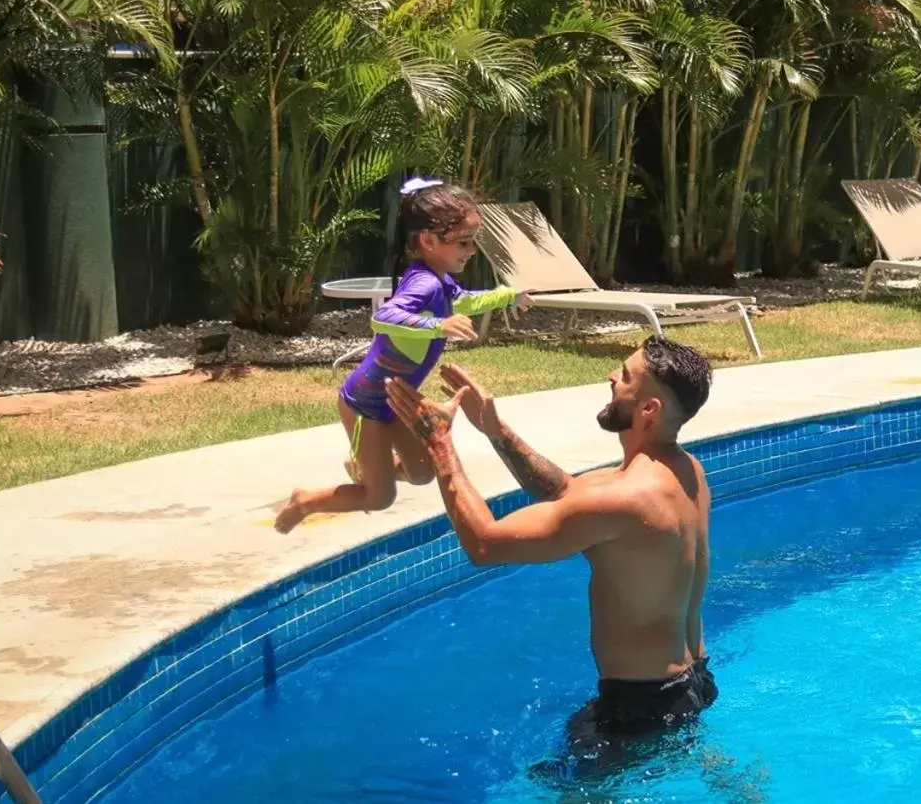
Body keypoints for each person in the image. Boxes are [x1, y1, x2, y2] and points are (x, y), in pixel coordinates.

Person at [384, 336, 719, 779]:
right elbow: (566, 492)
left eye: (624, 375)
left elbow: (484, 544)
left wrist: (439, 443)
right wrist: (495, 430)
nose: (611, 378)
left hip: (642, 709)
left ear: (648, 410)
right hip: (693, 682)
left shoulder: (625, 499)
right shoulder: (684, 471)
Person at [274, 178, 528, 534]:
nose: (471, 251)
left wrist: (507, 296)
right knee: (379, 498)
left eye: (473, 242)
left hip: (394, 400)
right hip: (366, 404)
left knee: (423, 472)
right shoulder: (424, 283)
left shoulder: (438, 279)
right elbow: (383, 317)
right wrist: (438, 326)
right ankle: (305, 501)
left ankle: (368, 463)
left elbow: (464, 300)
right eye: (464, 242)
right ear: (428, 241)